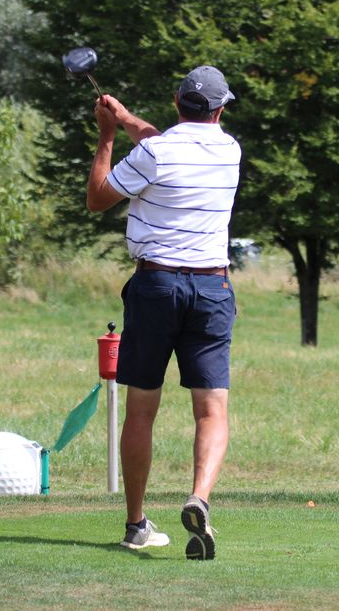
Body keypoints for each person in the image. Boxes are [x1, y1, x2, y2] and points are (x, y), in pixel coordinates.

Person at [86, 66, 241, 560]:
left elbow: (98, 198)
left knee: (141, 409)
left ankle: (136, 523)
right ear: (220, 109)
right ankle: (199, 498)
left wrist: (108, 135)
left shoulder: (154, 153)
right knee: (211, 409)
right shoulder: (230, 150)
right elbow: (165, 142)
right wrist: (128, 117)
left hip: (156, 286)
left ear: (177, 102)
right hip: (212, 287)